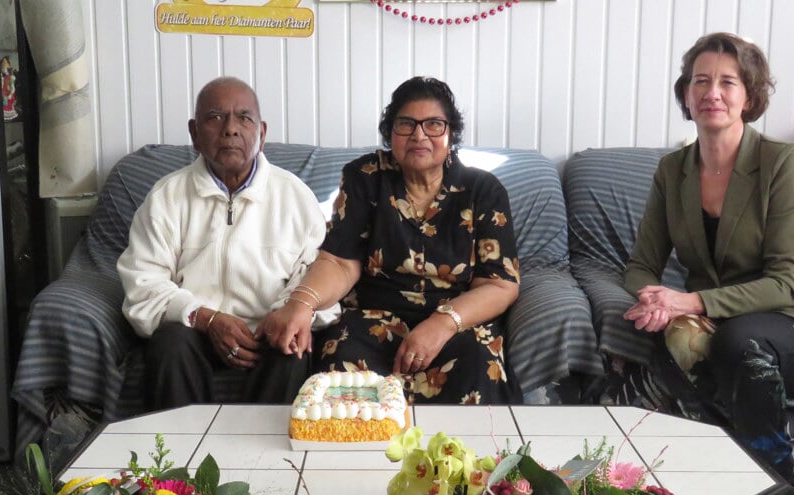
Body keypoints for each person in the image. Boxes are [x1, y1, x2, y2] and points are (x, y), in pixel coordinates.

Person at [622, 32, 794, 479]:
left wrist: (688, 301)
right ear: (686, 96)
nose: (712, 93)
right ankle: (701, 484)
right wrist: (652, 299)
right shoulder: (673, 171)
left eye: (727, 82)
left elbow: (786, 279)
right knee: (662, 336)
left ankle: (770, 492)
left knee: (736, 343)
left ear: (749, 96)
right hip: (724, 324)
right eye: (700, 81)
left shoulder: (782, 162)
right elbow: (640, 266)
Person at [263, 76, 521, 405]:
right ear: (390, 132)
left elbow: (500, 284)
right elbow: (340, 261)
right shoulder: (365, 177)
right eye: (406, 124)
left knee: (479, 366)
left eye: (433, 124)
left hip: (459, 323)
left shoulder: (483, 190)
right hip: (371, 320)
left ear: (450, 133)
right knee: (341, 365)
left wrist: (443, 323)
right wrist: (303, 302)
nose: (419, 135)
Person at [117, 77, 338, 409]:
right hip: (194, 330)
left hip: (271, 329)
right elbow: (142, 286)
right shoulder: (167, 197)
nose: (230, 129)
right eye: (215, 117)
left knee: (292, 349)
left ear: (261, 133)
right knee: (170, 344)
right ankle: (180, 458)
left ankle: (262, 461)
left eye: (244, 118)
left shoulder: (295, 197)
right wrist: (206, 319)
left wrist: (286, 315)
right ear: (194, 132)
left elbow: (317, 277)